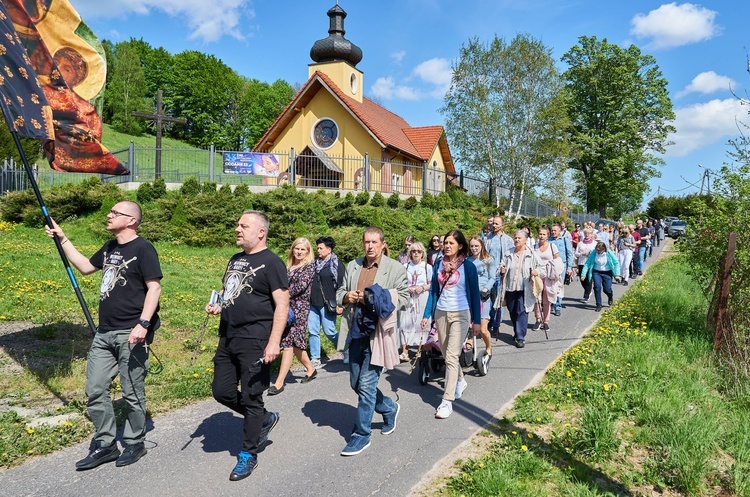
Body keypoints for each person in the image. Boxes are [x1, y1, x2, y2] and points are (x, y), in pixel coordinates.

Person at [45, 201, 162, 470]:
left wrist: (143, 324)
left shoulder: (143, 249)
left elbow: (154, 288)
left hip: (131, 333)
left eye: (115, 213)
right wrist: (63, 239)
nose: (109, 215)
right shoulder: (110, 248)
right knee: (95, 389)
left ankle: (134, 442)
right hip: (104, 333)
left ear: (131, 220)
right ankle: (106, 444)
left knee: (132, 391)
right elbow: (86, 267)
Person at [205, 210, 289, 481]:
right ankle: (264, 418)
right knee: (222, 392)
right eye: (237, 224)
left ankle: (248, 454)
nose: (237, 229)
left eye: (244, 226)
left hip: (255, 339)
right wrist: (217, 304)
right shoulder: (235, 259)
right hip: (227, 336)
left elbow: (282, 304)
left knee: (252, 397)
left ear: (260, 232)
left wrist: (274, 342)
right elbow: (230, 291)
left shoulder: (272, 262)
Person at [336, 227, 408, 456]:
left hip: (378, 335)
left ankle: (361, 435)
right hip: (355, 332)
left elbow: (404, 298)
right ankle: (389, 407)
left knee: (366, 386)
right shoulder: (353, 265)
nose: (370, 246)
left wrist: (375, 297)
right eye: (366, 242)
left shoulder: (394, 268)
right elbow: (340, 292)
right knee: (356, 384)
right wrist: (347, 296)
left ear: (383, 244)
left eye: (374, 242)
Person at [422, 230, 481, 419]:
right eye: (445, 242)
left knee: (451, 355)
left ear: (460, 246)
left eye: (451, 243)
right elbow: (433, 291)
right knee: (447, 354)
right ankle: (460, 380)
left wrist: (477, 321)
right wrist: (427, 314)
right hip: (441, 313)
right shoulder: (438, 264)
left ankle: (446, 401)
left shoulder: (468, 267)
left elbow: (474, 294)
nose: (447, 246)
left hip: (461, 313)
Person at [269, 238, 317, 395]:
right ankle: (310, 368)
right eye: (297, 248)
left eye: (303, 250)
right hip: (285, 307)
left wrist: (278, 294)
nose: (299, 252)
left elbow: (298, 287)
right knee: (296, 344)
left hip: (299, 309)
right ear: (292, 249)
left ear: (308, 252)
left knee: (288, 343)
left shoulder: (309, 267)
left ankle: (279, 382)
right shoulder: (289, 266)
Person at [497, 230, 546, 348]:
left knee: (522, 311)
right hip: (510, 288)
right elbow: (500, 266)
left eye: (519, 238)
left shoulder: (531, 254)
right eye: (515, 238)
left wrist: (536, 271)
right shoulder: (509, 253)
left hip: (524, 288)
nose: (517, 240)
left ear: (525, 240)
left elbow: (543, 268)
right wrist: (501, 270)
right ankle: (517, 331)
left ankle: (520, 337)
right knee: (512, 311)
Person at [308, 236, 343, 368]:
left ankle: (346, 348)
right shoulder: (314, 263)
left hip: (328, 304)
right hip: (312, 303)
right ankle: (315, 358)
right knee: (312, 331)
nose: (318, 250)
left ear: (329, 249)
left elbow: (341, 285)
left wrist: (341, 304)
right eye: (317, 248)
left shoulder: (337, 264)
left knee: (329, 331)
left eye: (320, 248)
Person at [402, 241, 432, 361]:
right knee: (405, 322)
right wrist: (407, 288)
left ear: (422, 254)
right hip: (409, 297)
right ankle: (405, 350)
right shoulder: (405, 267)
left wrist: (423, 288)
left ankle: (421, 349)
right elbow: (400, 283)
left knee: (422, 322)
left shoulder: (427, 267)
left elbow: (432, 283)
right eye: (413, 251)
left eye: (418, 251)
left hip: (422, 296)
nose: (416, 253)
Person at [468, 236, 495, 365]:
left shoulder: (488, 260)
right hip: (470, 296)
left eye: (476, 246)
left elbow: (492, 277)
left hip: (483, 296)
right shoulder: (467, 260)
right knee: (469, 326)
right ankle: (468, 347)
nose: (474, 248)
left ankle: (488, 347)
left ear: (481, 246)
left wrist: (486, 288)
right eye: (472, 246)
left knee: (483, 329)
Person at [485, 216, 514, 334]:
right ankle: (490, 320)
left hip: (500, 273)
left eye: (497, 224)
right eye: (493, 224)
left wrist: (505, 268)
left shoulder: (507, 239)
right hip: (489, 273)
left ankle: (497, 324)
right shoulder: (488, 238)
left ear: (502, 225)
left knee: (499, 299)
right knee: (489, 299)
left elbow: (511, 256)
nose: (494, 226)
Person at [533, 226, 562, 331]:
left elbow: (558, 259)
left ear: (547, 236)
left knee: (547, 300)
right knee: (537, 299)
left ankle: (546, 321)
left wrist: (556, 271)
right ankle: (538, 320)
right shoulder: (534, 247)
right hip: (537, 276)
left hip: (548, 275)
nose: (541, 236)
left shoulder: (552, 246)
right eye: (540, 234)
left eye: (544, 234)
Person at [581, 242, 621, 312]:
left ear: (604, 249)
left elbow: (616, 262)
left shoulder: (609, 253)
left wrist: (617, 274)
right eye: (597, 250)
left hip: (607, 272)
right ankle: (598, 304)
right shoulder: (594, 253)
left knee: (607, 289)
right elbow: (587, 263)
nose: (598, 252)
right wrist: (583, 274)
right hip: (596, 272)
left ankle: (610, 296)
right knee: (597, 287)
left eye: (600, 251)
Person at [549, 224, 574, 317]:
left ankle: (558, 306)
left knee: (559, 286)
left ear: (559, 231)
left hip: (562, 265)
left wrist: (569, 268)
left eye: (555, 230)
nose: (553, 232)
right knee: (551, 285)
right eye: (552, 230)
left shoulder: (564, 240)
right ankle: (551, 303)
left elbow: (570, 254)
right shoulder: (548, 241)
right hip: (551, 266)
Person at [575, 227, 597, 302]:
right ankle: (588, 290)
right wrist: (582, 254)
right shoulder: (580, 243)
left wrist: (591, 254)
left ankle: (587, 295)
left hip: (590, 264)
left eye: (589, 233)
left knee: (588, 279)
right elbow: (576, 254)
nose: (587, 235)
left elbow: (597, 253)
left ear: (591, 234)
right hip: (582, 263)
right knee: (582, 280)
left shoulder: (595, 243)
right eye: (585, 233)